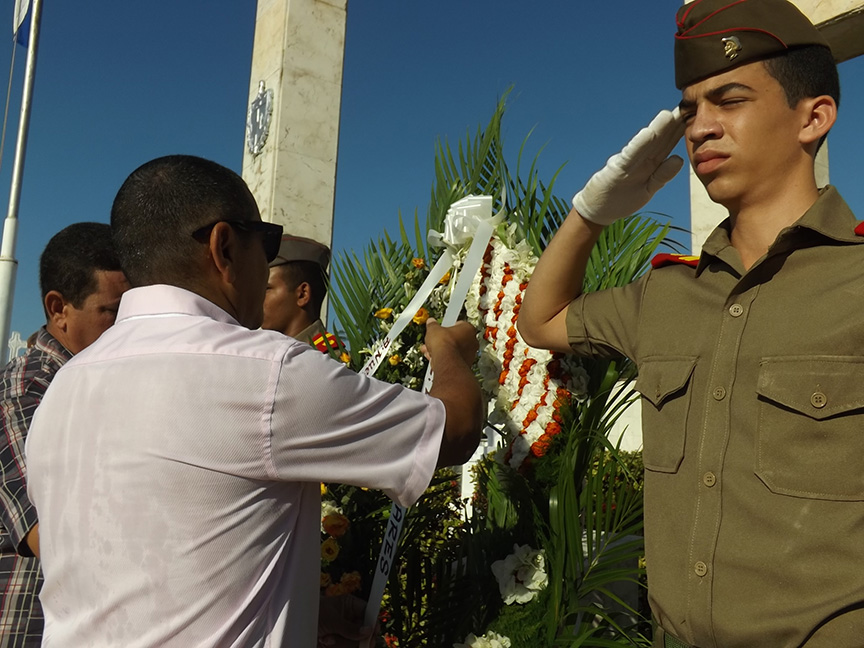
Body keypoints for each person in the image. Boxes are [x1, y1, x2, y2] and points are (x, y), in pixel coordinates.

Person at [25, 155, 483, 648]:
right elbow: (453, 431)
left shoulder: (64, 389)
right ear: (223, 246)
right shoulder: (268, 374)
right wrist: (448, 352)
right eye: (266, 243)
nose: (266, 266)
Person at [518, 0, 855, 645]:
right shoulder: (668, 293)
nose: (701, 127)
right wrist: (590, 212)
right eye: (691, 109)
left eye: (729, 100)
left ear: (814, 117)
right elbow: (541, 321)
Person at [0, 222, 128, 646]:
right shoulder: (26, 391)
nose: (127, 327)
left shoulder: (102, 380)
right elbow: (46, 535)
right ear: (58, 309)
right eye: (111, 312)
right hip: (29, 628)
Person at [261, 234, 337, 350]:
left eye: (266, 289)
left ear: (303, 294)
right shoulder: (266, 352)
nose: (257, 298)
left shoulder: (330, 361)